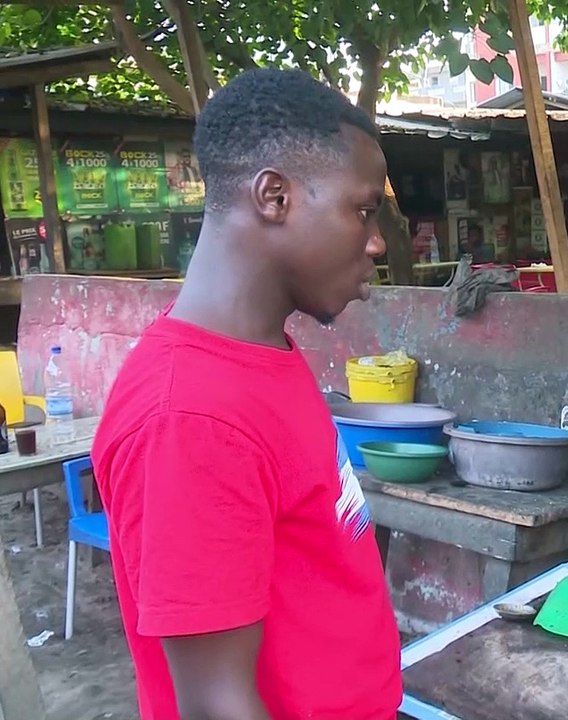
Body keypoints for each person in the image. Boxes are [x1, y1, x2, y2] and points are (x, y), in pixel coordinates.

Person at [90, 68, 401, 720]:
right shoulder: (192, 418)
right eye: (364, 210)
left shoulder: (265, 357)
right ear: (274, 197)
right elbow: (215, 706)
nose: (376, 242)